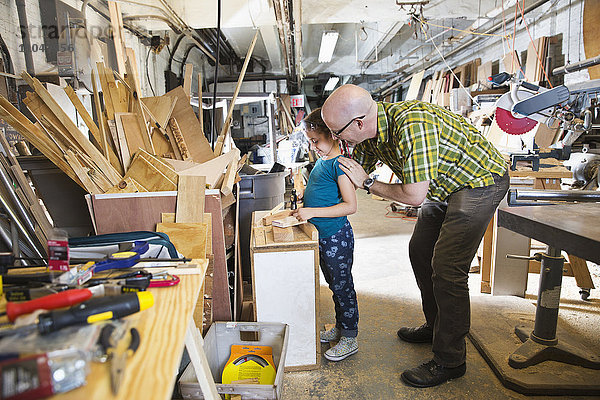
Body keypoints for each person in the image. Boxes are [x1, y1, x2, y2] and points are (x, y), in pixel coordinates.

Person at [321, 84, 509, 387]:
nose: (335, 139)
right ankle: (436, 327)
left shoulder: (412, 125)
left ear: (358, 122)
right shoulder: (369, 135)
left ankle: (450, 360)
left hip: (478, 181)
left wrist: (369, 184)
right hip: (443, 185)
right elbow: (348, 175)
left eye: (336, 132)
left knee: (448, 269)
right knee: (420, 252)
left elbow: (413, 195)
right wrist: (318, 193)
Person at [292, 108, 359, 362]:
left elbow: (350, 206)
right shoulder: (322, 161)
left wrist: (311, 211)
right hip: (323, 237)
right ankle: (341, 328)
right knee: (334, 285)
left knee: (343, 286)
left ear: (332, 135)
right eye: (310, 142)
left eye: (316, 140)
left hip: (336, 237)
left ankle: (350, 336)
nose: (313, 146)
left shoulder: (339, 164)